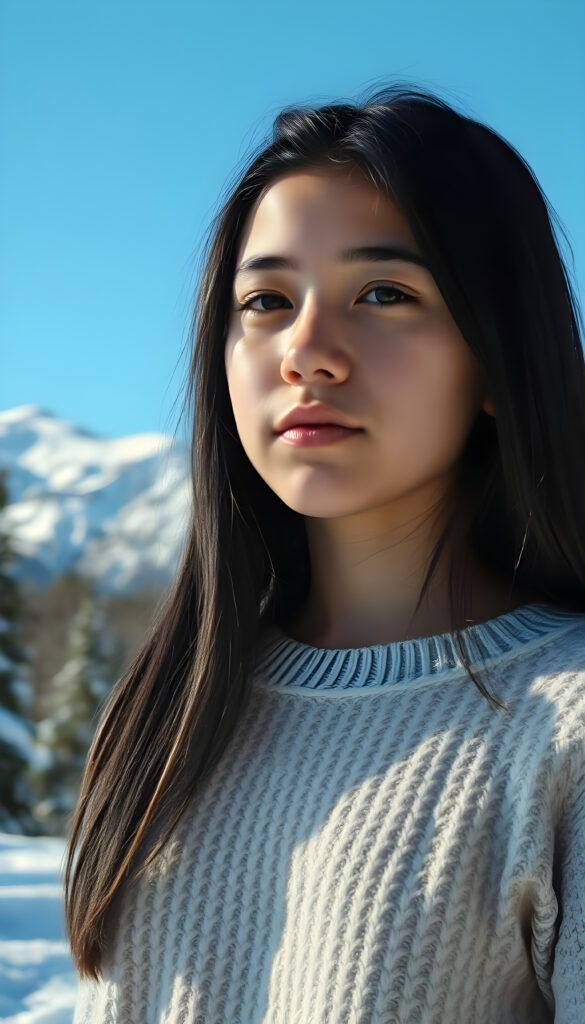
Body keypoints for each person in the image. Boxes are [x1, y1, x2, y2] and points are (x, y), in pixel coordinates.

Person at [67, 82, 585, 1023]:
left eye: (384, 293)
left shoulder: (564, 731)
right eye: (264, 301)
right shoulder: (170, 713)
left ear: (497, 360)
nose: (306, 351)